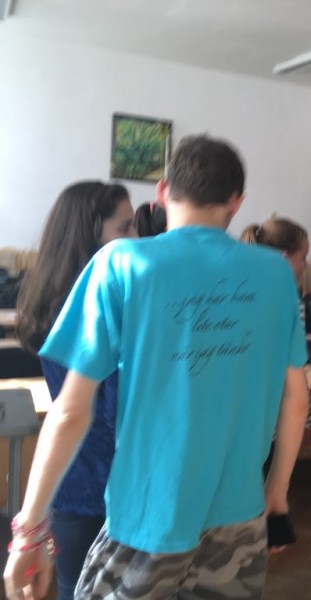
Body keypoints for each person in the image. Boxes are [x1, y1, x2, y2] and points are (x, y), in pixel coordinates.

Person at [4, 135, 310, 599]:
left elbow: (70, 412)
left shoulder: (121, 264)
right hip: (239, 514)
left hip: (147, 517)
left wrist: (30, 530)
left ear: (163, 192)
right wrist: (277, 490)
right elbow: (296, 399)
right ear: (236, 202)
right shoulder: (275, 273)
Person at [15, 182, 135, 600]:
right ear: (90, 236)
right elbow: (102, 415)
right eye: (125, 227)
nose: (137, 238)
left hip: (73, 485)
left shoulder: (53, 299)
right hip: (107, 492)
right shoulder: (93, 310)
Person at [240, 216, 311, 465]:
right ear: (284, 258)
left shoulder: (238, 292)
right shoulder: (288, 301)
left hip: (238, 420)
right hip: (271, 421)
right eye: (303, 257)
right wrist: (308, 418)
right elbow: (293, 369)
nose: (306, 265)